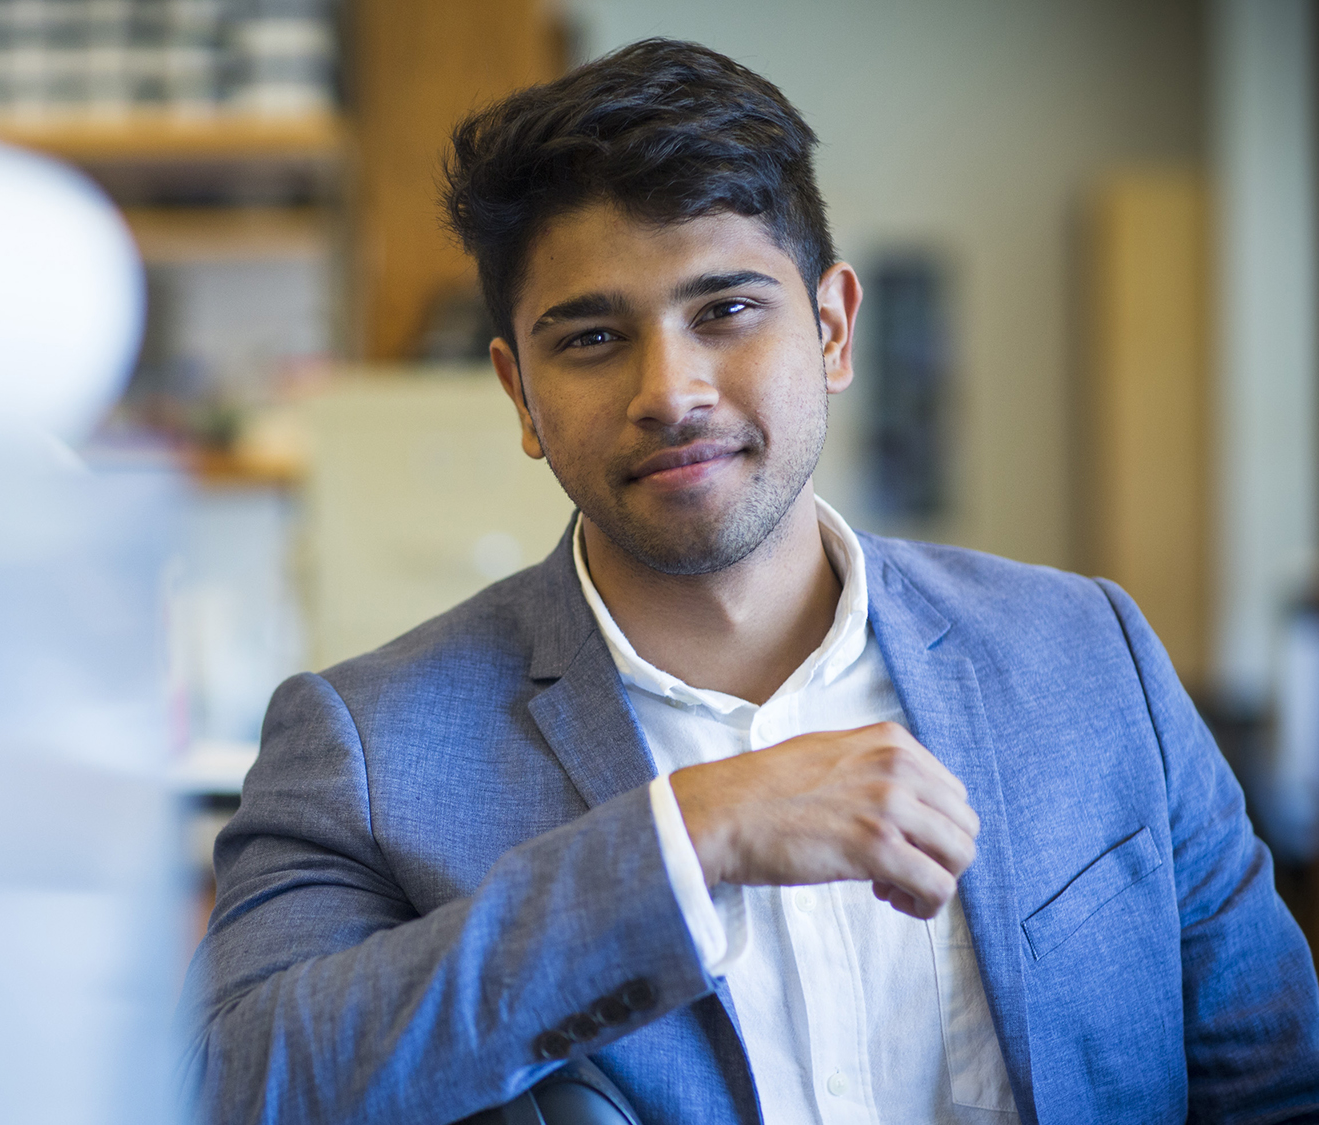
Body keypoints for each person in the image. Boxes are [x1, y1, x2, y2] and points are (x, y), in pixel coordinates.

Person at [179, 38, 1319, 1125]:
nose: (669, 390)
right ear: (517, 394)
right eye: (587, 339)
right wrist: (685, 842)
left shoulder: (1087, 655)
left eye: (724, 310)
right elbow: (236, 1087)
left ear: (829, 328)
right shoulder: (362, 746)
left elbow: (1271, 1085)